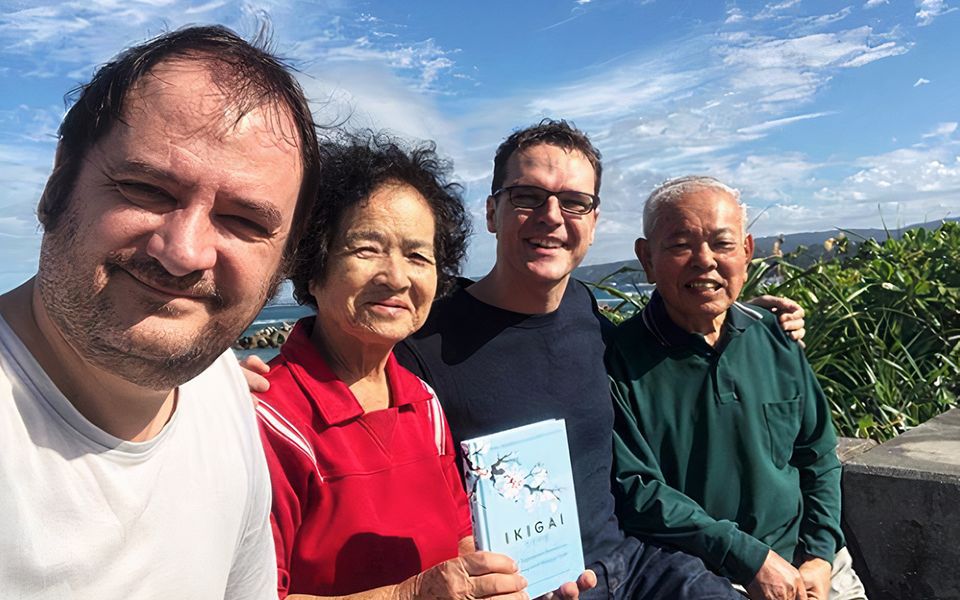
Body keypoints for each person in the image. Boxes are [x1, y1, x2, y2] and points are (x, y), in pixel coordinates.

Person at [394, 120, 806, 599]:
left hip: (634, 566)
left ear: (592, 221)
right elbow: (406, 498)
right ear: (492, 212)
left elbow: (675, 348)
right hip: (525, 588)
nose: (552, 216)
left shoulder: (585, 310)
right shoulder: (422, 345)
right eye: (527, 196)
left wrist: (754, 318)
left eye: (574, 202)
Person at [0, 25, 321, 598]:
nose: (183, 253)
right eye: (146, 189)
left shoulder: (221, 388)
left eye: (244, 222)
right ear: (58, 183)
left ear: (284, 260)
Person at [255, 134, 589, 600]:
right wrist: (406, 596)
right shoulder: (266, 418)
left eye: (417, 255)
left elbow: (459, 539)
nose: (396, 277)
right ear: (313, 265)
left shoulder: (423, 400)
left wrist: (515, 577)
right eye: (366, 248)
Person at [607, 176, 867, 600]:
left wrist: (819, 555)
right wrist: (750, 559)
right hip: (703, 577)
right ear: (647, 258)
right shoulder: (618, 360)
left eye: (722, 244)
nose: (704, 260)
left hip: (814, 567)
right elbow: (637, 490)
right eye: (679, 244)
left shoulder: (777, 338)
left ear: (746, 252)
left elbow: (817, 454)